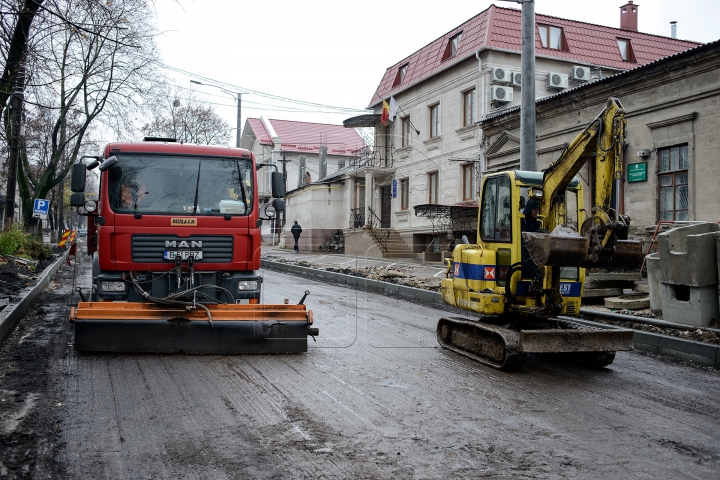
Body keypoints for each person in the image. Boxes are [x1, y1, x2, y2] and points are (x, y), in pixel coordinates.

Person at [520, 198, 543, 294]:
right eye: (535, 209)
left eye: (538, 209)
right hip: (525, 246)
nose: (537, 211)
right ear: (529, 209)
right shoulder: (522, 222)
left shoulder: (539, 222)